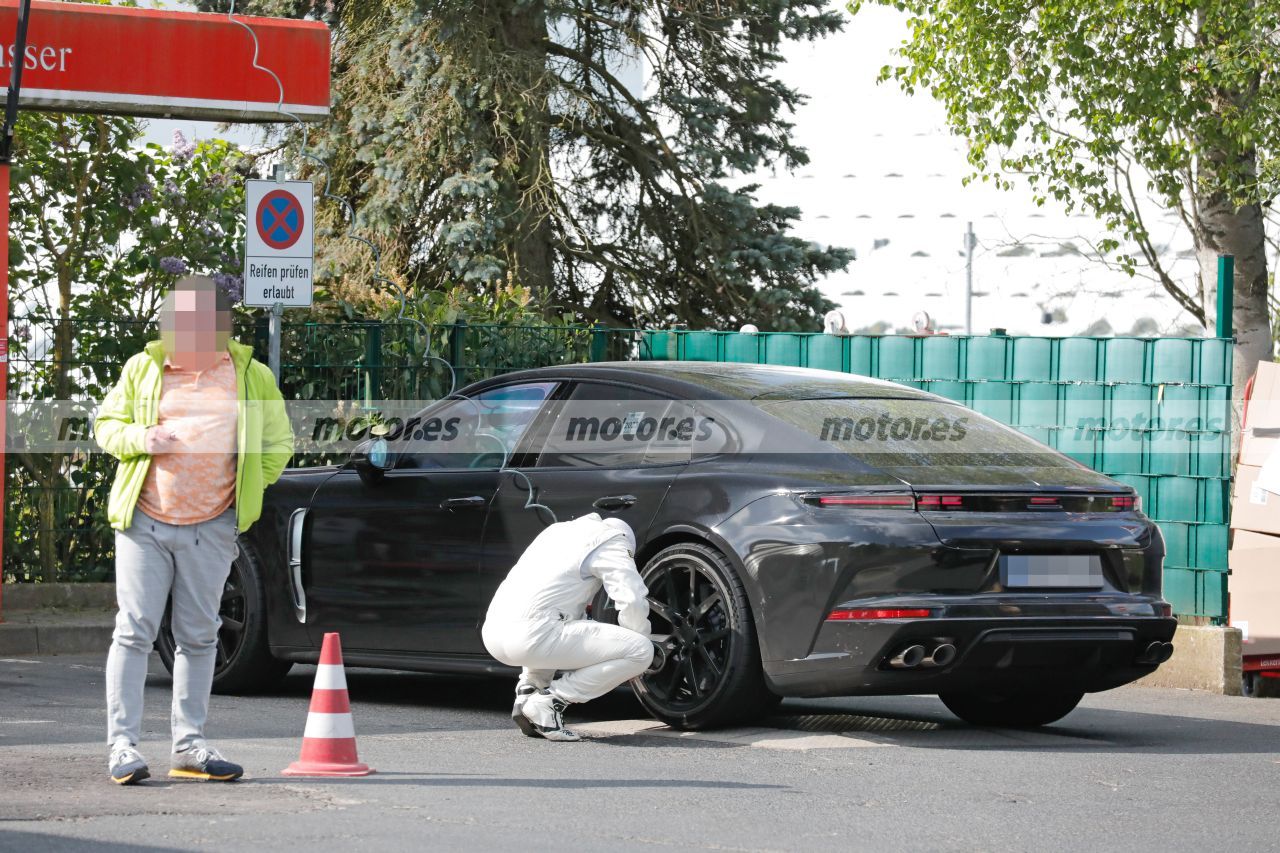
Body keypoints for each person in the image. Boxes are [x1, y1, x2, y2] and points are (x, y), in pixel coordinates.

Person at [95, 276, 294, 784]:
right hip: (145, 520)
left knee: (200, 637)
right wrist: (145, 437)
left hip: (213, 523)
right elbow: (105, 426)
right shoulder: (145, 368)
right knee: (134, 631)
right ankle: (123, 748)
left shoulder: (251, 376)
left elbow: (278, 442)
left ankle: (188, 747)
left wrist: (240, 495)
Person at [482, 513, 654, 741]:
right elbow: (631, 598)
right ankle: (551, 701)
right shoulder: (613, 539)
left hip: (494, 633)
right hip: (531, 637)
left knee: (556, 619)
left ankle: (529, 692)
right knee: (641, 650)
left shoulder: (555, 531)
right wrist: (636, 641)